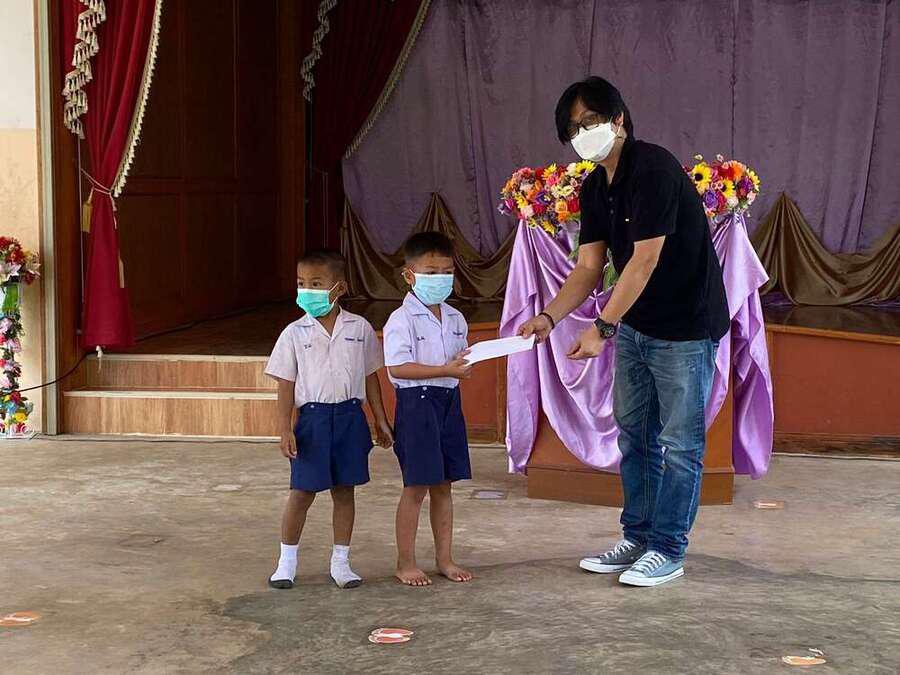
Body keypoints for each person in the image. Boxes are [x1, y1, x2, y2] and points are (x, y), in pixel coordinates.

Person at [519, 76, 730, 587]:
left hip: (684, 328)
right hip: (636, 324)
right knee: (635, 435)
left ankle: (668, 548)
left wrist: (602, 327)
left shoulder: (654, 168)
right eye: (573, 129)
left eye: (590, 121)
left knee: (680, 444)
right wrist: (549, 317)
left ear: (618, 120)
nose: (582, 134)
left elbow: (644, 260)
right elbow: (590, 266)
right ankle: (638, 536)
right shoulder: (595, 186)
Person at [265, 250, 393, 590]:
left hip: (350, 417)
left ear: (340, 288)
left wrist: (380, 419)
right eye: (302, 284)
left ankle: (341, 562)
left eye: (317, 284)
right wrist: (284, 429)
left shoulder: (360, 328)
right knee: (302, 492)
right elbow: (285, 384)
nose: (308, 291)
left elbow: (371, 377)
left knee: (344, 491)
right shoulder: (294, 333)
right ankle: (286, 562)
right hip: (313, 420)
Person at [383, 232, 474, 587]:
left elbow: (458, 358)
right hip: (417, 404)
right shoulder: (401, 319)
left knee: (444, 485)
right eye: (431, 272)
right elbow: (398, 367)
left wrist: (464, 363)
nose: (440, 279)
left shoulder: (455, 317)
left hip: (449, 402)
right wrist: (445, 369)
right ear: (410, 275)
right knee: (416, 487)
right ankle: (405, 561)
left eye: (446, 272)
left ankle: (445, 559)